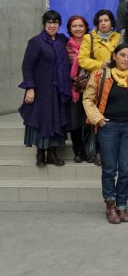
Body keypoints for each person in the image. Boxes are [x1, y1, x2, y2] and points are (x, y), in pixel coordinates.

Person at [82, 44, 128, 224]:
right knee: (109, 169)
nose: (126, 59)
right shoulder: (99, 75)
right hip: (107, 126)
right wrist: (98, 120)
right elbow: (88, 99)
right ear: (114, 56)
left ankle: (122, 205)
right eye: (122, 55)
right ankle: (110, 205)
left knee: (126, 169)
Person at [19, 10, 71, 167]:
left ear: (59, 25)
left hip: (58, 90)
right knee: (41, 120)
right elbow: (27, 66)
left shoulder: (62, 41)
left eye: (55, 22)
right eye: (49, 22)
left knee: (56, 120)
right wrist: (30, 88)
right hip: (41, 90)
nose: (52, 25)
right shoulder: (36, 42)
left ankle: (53, 154)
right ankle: (40, 154)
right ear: (44, 24)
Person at [65, 15, 90, 163]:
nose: (78, 29)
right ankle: (78, 151)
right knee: (75, 123)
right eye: (74, 26)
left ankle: (88, 150)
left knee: (88, 121)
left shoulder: (92, 43)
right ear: (69, 28)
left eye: (81, 26)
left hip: (90, 88)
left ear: (86, 27)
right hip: (73, 88)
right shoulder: (66, 46)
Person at [78, 9, 121, 74]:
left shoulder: (119, 37)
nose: (103, 23)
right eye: (100, 21)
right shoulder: (88, 38)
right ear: (97, 23)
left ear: (111, 22)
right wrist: (100, 65)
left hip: (116, 76)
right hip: (95, 78)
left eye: (106, 20)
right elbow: (82, 60)